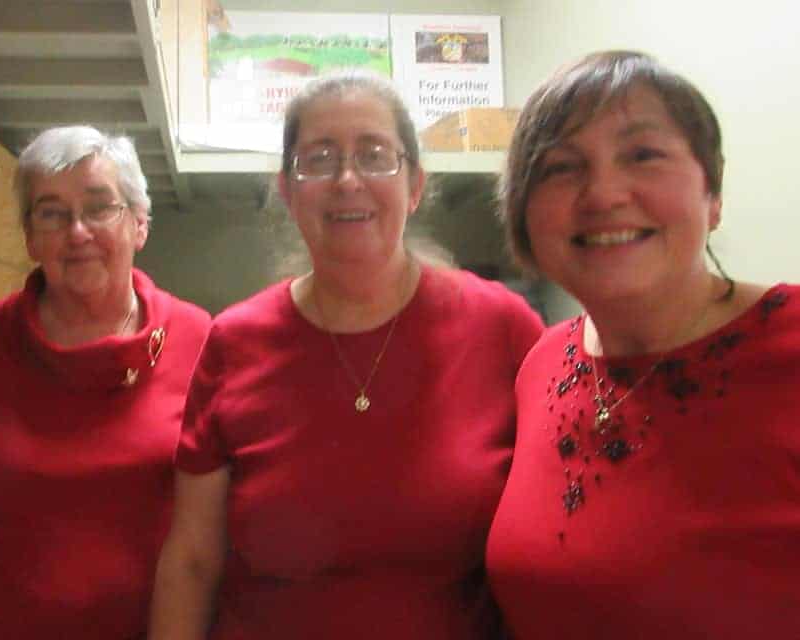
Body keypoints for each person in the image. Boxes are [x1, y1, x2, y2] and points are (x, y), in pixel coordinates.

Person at [149, 72, 544, 640]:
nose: (347, 180)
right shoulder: (234, 343)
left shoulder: (503, 329)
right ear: (288, 192)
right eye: (319, 159)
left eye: (375, 155)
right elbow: (192, 560)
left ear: (414, 185)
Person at [487, 50, 800, 638]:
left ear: (713, 192)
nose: (603, 194)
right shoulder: (542, 364)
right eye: (561, 167)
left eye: (643, 155)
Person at [0, 126, 211, 639]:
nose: (77, 231)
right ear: (30, 238)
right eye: (51, 213)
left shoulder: (198, 340)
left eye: (99, 207)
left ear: (139, 224)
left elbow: (214, 540)